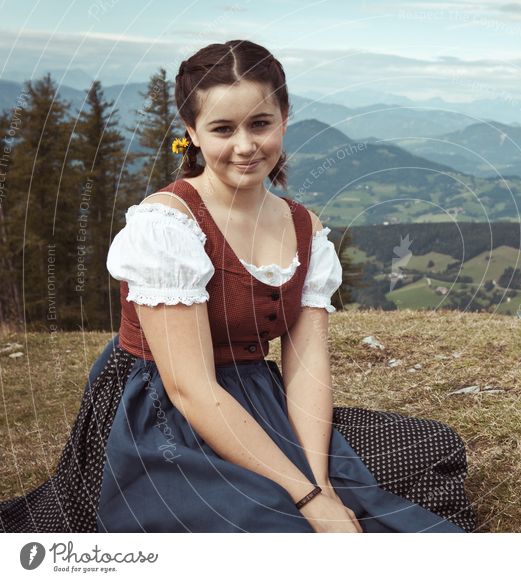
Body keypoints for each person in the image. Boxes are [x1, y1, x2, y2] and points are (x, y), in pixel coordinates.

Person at [0, 39, 475, 533]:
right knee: (273, 525)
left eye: (260, 124)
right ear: (192, 133)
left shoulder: (304, 228)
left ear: (284, 120)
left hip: (256, 399)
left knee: (429, 448)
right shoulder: (167, 226)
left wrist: (322, 483)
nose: (246, 146)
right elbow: (191, 389)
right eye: (223, 129)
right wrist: (308, 499)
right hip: (158, 416)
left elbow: (306, 368)